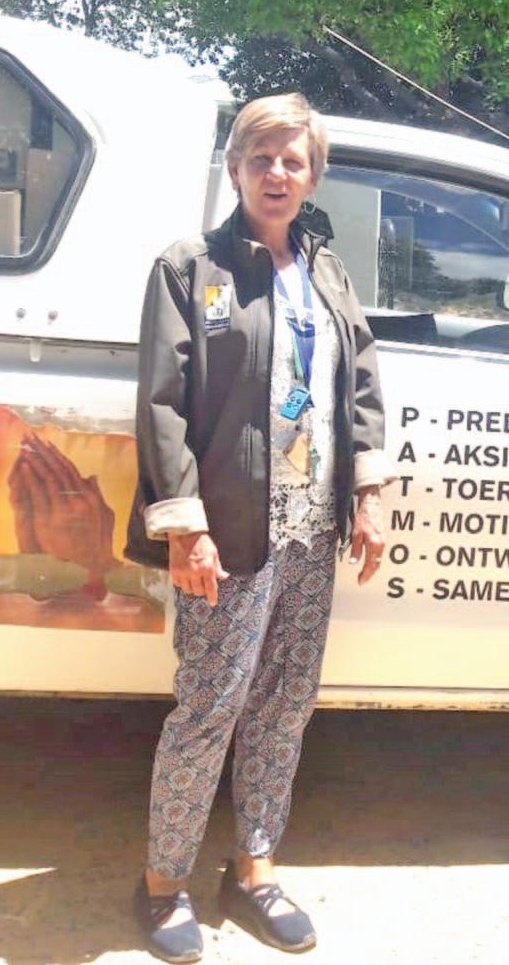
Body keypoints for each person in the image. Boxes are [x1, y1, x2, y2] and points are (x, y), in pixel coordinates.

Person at [125, 92, 396, 962]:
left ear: (313, 175)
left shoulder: (326, 270)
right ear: (236, 168)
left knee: (284, 707)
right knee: (210, 706)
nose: (277, 173)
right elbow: (162, 405)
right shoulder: (189, 267)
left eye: (294, 160)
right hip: (231, 530)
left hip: (310, 530)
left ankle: (253, 870)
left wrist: (369, 492)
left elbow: (360, 384)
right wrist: (184, 526)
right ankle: (163, 882)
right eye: (262, 158)